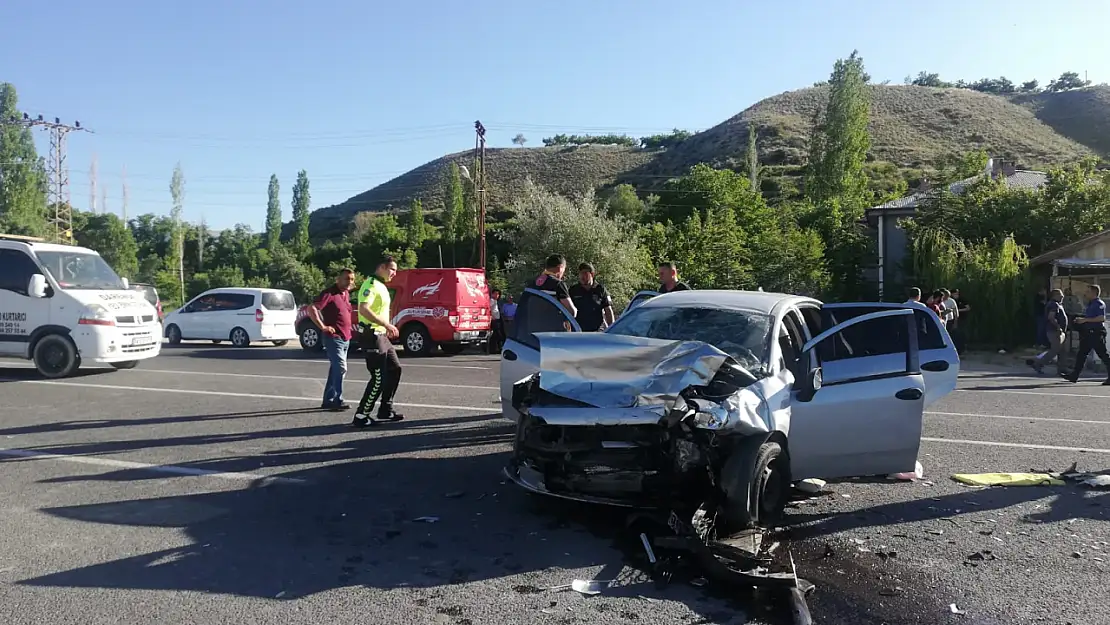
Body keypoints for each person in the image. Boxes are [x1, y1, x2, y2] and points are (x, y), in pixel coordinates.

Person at [353, 255, 404, 427]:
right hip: (371, 335)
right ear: (382, 267)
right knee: (378, 377)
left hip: (381, 335)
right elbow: (364, 309)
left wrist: (385, 328)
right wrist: (387, 324)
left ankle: (385, 409)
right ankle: (361, 415)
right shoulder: (371, 285)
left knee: (395, 369)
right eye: (392, 269)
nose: (394, 273)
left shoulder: (381, 286)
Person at [308, 268, 356, 411]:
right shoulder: (329, 293)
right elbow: (312, 308)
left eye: (352, 279)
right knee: (341, 368)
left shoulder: (345, 294)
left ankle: (328, 400)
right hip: (333, 338)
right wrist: (323, 326)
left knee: (335, 370)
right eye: (347, 279)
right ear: (338, 279)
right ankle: (337, 400)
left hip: (345, 338)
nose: (350, 282)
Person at [1063, 284, 1110, 385]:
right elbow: (1090, 317)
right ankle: (1074, 375)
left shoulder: (1098, 303)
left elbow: (1101, 318)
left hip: (1096, 333)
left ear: (1094, 293)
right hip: (1088, 333)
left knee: (1103, 355)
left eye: (1088, 292)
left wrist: (1085, 320)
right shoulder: (1091, 304)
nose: (1085, 293)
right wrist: (1081, 319)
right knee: (1082, 354)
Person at [568, 262, 615, 332]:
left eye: (585, 273)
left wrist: (612, 329)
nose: (582, 276)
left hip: (597, 331)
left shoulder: (600, 289)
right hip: (578, 331)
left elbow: (608, 310)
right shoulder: (573, 290)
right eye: (580, 273)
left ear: (592, 274)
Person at [1031, 289, 1067, 375]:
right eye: (1060, 295)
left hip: (1058, 331)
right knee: (1055, 350)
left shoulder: (1057, 304)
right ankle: (1038, 363)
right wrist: (1058, 327)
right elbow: (1051, 317)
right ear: (1054, 296)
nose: (1062, 296)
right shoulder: (1053, 304)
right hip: (1054, 331)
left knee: (1062, 350)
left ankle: (1061, 368)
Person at [488, 288, 503, 354]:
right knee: (497, 335)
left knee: (497, 335)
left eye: (498, 294)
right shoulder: (492, 301)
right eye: (496, 294)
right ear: (492, 294)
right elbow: (488, 309)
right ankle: (494, 349)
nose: (497, 295)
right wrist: (491, 316)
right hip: (494, 320)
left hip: (498, 320)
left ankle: (496, 348)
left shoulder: (495, 301)